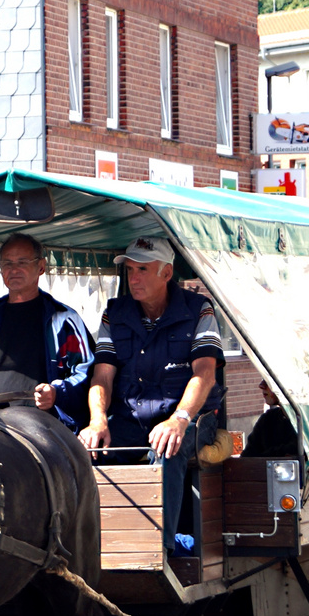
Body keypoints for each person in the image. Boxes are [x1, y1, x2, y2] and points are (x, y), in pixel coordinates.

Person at [79, 236, 224, 554]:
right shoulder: (114, 314)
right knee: (84, 449)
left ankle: (161, 551)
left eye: (143, 269)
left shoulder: (198, 310)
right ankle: (92, 547)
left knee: (166, 447)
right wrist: (97, 421)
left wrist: (179, 420)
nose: (134, 278)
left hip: (190, 419)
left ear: (167, 273)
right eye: (130, 270)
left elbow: (205, 374)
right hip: (131, 418)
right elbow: (102, 374)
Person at [0, 232, 95, 431]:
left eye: (22, 262)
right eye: (7, 263)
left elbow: (85, 370)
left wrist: (56, 393)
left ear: (41, 267)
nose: (14, 270)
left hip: (48, 427)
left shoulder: (64, 320)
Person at [244, 379, 299, 458]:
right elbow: (248, 457)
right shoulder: (267, 420)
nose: (262, 386)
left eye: (270, 380)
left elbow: (297, 451)